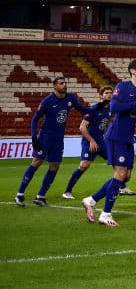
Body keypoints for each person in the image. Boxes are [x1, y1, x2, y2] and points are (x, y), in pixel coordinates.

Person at [82, 59, 136, 226]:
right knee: (120, 175)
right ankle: (106, 214)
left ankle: (91, 200)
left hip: (128, 137)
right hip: (115, 136)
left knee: (125, 177)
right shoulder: (122, 87)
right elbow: (114, 107)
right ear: (132, 71)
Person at [16, 77, 90, 207]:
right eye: (61, 83)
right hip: (45, 137)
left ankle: (40, 196)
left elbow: (83, 110)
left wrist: (98, 107)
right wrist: (34, 137)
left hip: (58, 139)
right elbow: (34, 120)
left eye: (65, 83)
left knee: (55, 166)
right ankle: (20, 194)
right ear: (55, 86)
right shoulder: (47, 101)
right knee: (37, 162)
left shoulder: (70, 98)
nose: (64, 85)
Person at [61, 86, 113, 199]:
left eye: (110, 93)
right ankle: (67, 192)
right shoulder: (94, 109)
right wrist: (91, 141)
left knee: (115, 160)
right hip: (89, 142)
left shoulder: (109, 110)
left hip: (101, 141)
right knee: (84, 165)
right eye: (106, 93)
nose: (109, 95)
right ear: (101, 96)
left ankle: (120, 186)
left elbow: (105, 124)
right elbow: (82, 127)